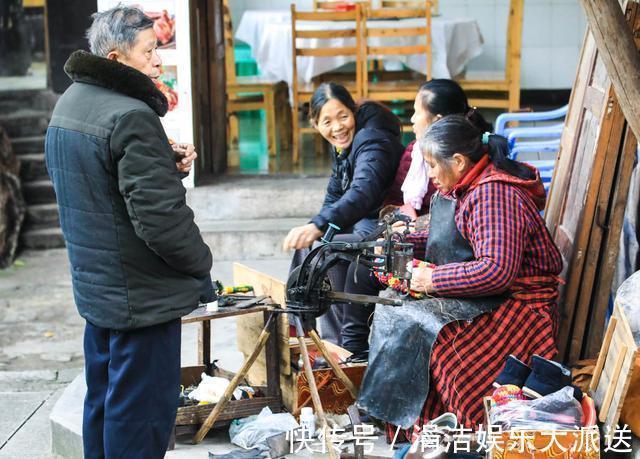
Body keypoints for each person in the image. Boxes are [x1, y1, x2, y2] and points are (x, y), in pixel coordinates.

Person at [45, 6, 214, 457]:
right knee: (140, 414)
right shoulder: (130, 115)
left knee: (103, 400)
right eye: (149, 51)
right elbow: (159, 219)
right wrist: (201, 265)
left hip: (99, 286)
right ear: (117, 58)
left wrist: (164, 166)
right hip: (141, 294)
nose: (158, 60)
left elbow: (102, 189)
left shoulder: (70, 102)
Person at [352, 115, 563, 433]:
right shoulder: (463, 188)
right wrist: (400, 242)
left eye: (433, 165)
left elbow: (495, 271)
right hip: (492, 295)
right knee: (395, 306)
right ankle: (414, 423)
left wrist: (432, 280)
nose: (431, 174)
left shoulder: (494, 196)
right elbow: (447, 236)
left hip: (519, 305)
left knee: (430, 330)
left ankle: (465, 428)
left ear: (460, 161)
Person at [283, 82, 404, 349]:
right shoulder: (343, 144)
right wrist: (315, 225)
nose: (337, 127)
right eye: (327, 121)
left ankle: (338, 346)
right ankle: (302, 330)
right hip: (365, 219)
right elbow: (335, 194)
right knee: (309, 248)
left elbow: (364, 191)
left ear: (354, 111)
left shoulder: (372, 140)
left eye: (343, 117)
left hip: (385, 224)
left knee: (328, 253)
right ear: (315, 124)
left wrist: (321, 225)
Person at [382, 79, 493, 221]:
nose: (412, 119)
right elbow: (395, 199)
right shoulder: (414, 151)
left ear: (437, 121)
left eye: (417, 112)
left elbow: (456, 217)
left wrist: (416, 227)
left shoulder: (466, 160)